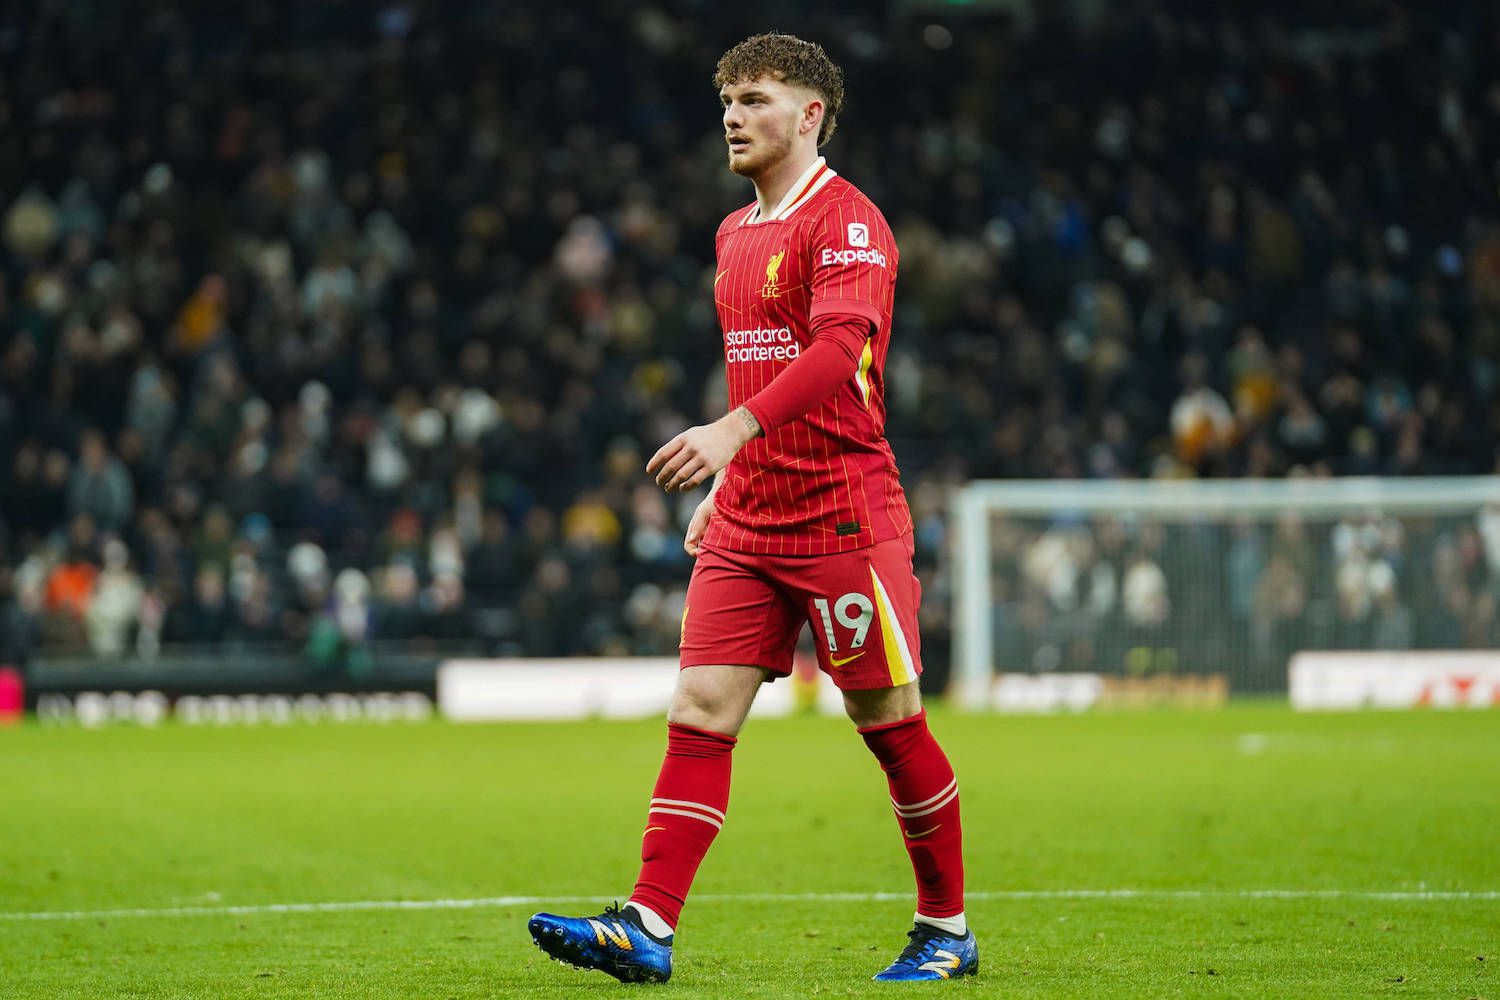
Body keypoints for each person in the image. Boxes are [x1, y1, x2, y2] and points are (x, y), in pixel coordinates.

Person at [528, 33, 975, 984]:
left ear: (810, 114)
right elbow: (758, 365)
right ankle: (647, 925)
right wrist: (732, 481)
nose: (733, 115)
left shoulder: (849, 221)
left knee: (889, 723)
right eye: (727, 99)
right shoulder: (735, 233)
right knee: (698, 709)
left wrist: (729, 435)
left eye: (757, 99)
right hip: (750, 518)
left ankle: (947, 927)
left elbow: (836, 351)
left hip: (845, 515)